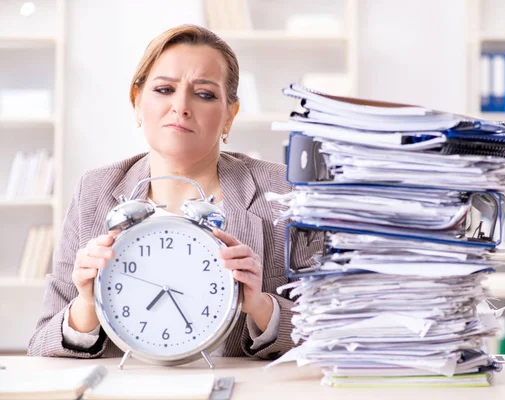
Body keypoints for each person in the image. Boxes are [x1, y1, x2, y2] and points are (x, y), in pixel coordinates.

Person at [28, 24, 318, 360]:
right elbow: (41, 345)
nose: (180, 106)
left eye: (205, 94)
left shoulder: (283, 192)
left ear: (229, 116)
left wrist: (260, 306)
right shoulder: (95, 191)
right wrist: (87, 304)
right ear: (137, 102)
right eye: (164, 89)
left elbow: (330, 334)